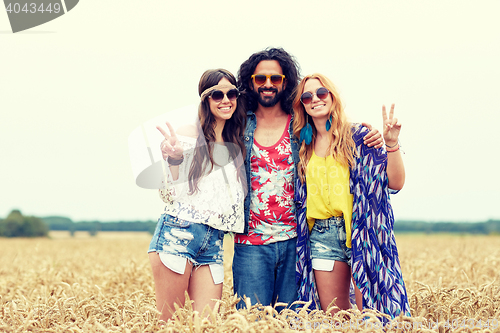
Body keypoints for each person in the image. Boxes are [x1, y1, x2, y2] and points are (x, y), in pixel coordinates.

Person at [232, 48, 383, 310]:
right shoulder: (238, 126)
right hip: (251, 244)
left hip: (296, 242)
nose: (268, 84)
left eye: (275, 78)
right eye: (260, 78)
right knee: (250, 323)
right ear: (250, 82)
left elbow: (336, 133)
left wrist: (376, 138)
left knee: (295, 322)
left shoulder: (301, 126)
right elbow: (207, 138)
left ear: (285, 82)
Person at [292, 73, 411, 318]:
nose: (315, 99)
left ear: (332, 97)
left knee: (374, 315)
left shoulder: (358, 137)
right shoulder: (302, 147)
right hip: (321, 238)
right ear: (302, 105)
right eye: (307, 96)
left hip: (362, 233)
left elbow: (395, 182)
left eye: (321, 93)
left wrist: (391, 144)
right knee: (335, 319)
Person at [148, 69, 247, 321]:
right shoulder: (189, 134)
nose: (226, 100)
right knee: (168, 323)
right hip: (178, 233)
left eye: (231, 93)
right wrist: (174, 159)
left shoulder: (237, 139)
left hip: (214, 242)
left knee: (207, 324)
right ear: (205, 99)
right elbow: (168, 194)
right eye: (217, 94)